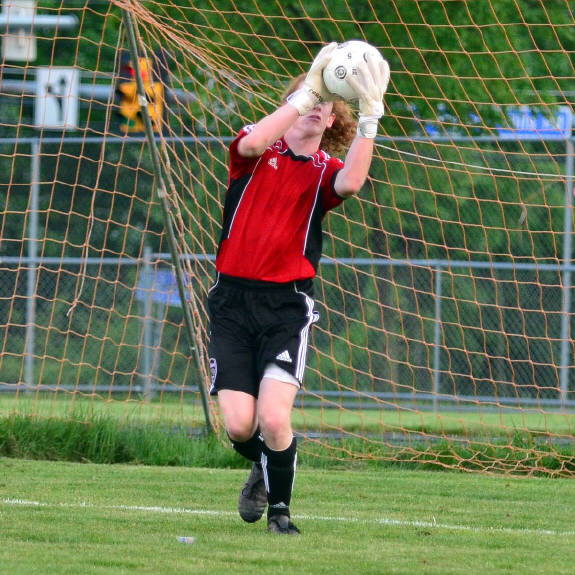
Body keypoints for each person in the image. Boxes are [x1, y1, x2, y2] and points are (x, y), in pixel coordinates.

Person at [207, 43, 390, 535]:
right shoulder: (257, 148)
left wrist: (370, 116)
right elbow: (250, 144)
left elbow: (352, 183)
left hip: (285, 307)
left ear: (331, 121)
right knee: (239, 426)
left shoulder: (324, 171)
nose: (316, 108)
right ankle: (267, 461)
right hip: (231, 304)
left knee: (273, 419)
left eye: (326, 105)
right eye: (313, 99)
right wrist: (307, 93)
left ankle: (280, 514)